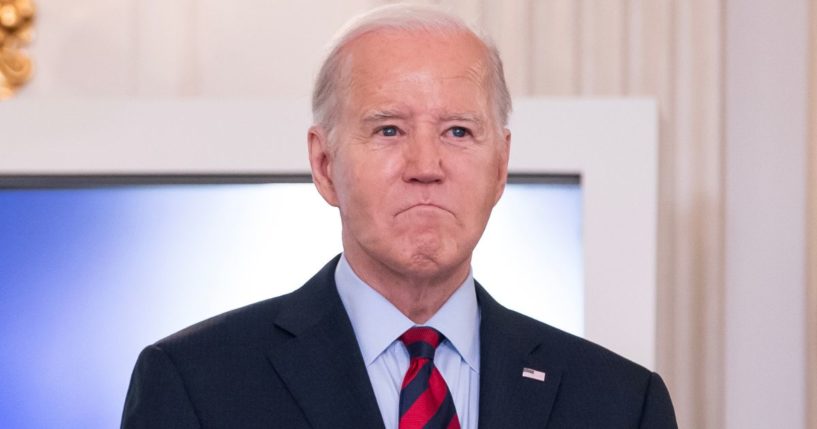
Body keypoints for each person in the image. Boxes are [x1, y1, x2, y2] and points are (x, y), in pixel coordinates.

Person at [121, 4, 677, 429]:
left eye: (458, 131)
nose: (425, 165)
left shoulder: (621, 403)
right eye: (388, 130)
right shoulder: (196, 384)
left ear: (501, 164)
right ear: (323, 163)